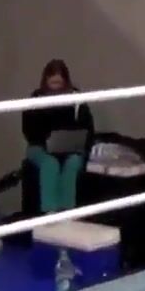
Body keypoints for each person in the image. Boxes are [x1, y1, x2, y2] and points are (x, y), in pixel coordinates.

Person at [22, 59, 94, 213]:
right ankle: (50, 212)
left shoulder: (76, 99)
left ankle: (67, 211)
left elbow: (87, 129)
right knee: (50, 164)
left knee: (73, 163)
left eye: (59, 83)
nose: (56, 87)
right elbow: (28, 130)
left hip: (71, 150)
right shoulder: (36, 99)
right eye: (52, 83)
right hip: (40, 147)